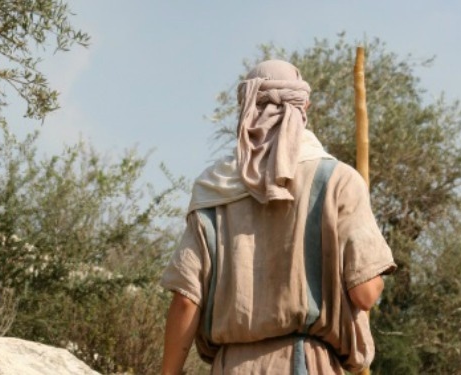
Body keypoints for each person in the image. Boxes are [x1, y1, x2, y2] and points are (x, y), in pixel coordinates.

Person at [160, 60, 396, 374]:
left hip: (230, 365)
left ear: (245, 108)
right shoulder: (339, 180)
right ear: (304, 107)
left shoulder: (213, 190)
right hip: (308, 362)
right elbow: (364, 294)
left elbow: (186, 301)